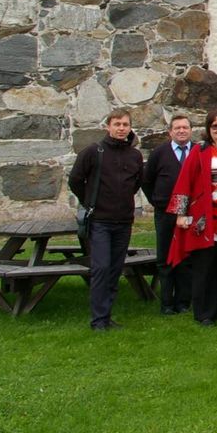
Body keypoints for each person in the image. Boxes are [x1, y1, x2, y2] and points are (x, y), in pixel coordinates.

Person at [166, 108, 217, 326]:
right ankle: (203, 313)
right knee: (204, 268)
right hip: (206, 221)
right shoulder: (200, 152)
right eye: (215, 126)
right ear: (208, 130)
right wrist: (180, 213)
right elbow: (184, 181)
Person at [69, 108, 143, 331]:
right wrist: (90, 202)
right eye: (117, 124)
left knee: (114, 269)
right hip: (100, 220)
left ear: (130, 128)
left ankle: (106, 315)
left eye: (125, 125)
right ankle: (98, 320)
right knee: (101, 268)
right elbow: (75, 180)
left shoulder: (134, 155)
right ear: (108, 126)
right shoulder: (94, 151)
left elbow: (136, 183)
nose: (121, 129)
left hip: (123, 221)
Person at [141, 114, 194, 316]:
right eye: (177, 128)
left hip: (190, 214)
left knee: (186, 258)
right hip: (165, 213)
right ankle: (166, 303)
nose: (181, 131)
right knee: (165, 258)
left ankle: (183, 301)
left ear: (190, 130)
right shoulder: (159, 153)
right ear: (170, 131)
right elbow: (147, 180)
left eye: (185, 127)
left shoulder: (197, 151)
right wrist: (158, 201)